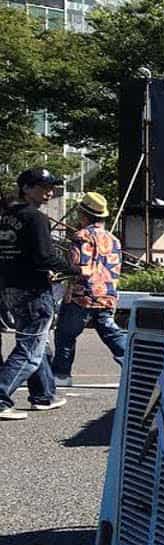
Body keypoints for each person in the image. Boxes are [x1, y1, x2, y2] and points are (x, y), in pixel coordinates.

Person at [0, 168, 76, 420]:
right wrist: (75, 270)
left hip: (11, 287)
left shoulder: (6, 216)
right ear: (26, 188)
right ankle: (1, 397)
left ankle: (44, 394)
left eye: (51, 187)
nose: (49, 193)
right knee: (30, 349)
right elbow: (45, 256)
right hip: (34, 288)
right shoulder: (36, 218)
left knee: (38, 342)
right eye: (43, 187)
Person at [52, 192, 126, 384]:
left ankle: (61, 374)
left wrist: (60, 273)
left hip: (82, 295)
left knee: (65, 334)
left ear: (83, 214)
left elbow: (81, 268)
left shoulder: (81, 236)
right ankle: (133, 365)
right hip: (107, 293)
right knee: (111, 333)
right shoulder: (114, 239)